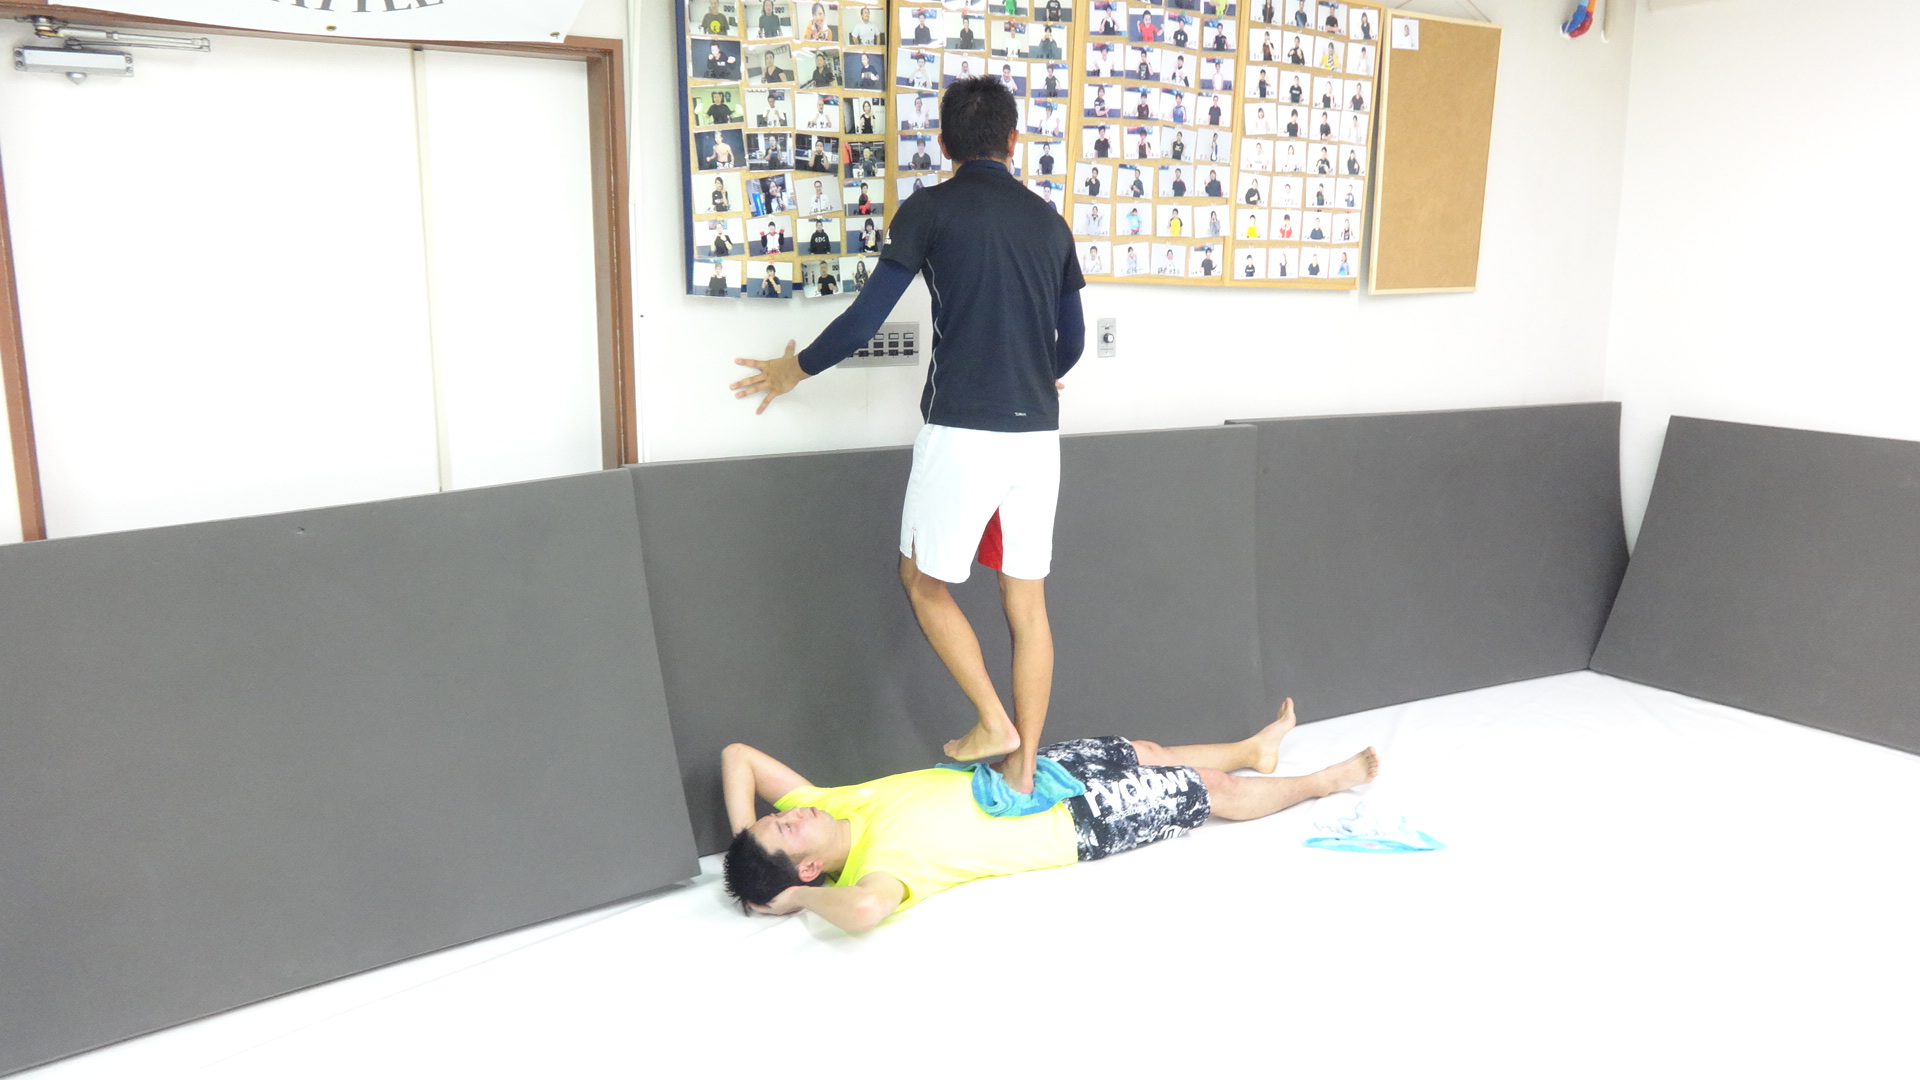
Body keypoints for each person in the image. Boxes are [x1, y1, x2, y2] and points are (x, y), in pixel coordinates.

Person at [730, 78, 1086, 791]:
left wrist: (793, 370)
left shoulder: (929, 209)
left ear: (944, 144)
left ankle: (994, 721)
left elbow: (866, 319)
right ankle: (1022, 773)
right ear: (1014, 142)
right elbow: (1070, 342)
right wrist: (1037, 375)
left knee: (922, 581)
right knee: (1027, 604)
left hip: (962, 429)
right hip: (1038, 439)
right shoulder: (1050, 223)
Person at [720, 701, 1381, 930]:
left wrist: (746, 850)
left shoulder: (832, 803)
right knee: (1209, 789)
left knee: (1147, 750)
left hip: (1027, 778)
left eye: (775, 817)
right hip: (1076, 823)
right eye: (784, 827)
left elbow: (737, 757)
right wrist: (793, 897)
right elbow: (865, 910)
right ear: (809, 868)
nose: (791, 812)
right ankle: (1325, 780)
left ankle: (1253, 750)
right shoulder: (881, 867)